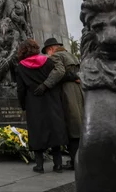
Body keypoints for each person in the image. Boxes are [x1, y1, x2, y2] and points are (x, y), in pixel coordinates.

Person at [16, 39, 68, 173]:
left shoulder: (21, 67)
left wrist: (23, 104)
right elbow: (56, 80)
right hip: (51, 100)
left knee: (37, 131)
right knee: (54, 129)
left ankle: (39, 166)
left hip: (34, 102)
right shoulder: (48, 61)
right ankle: (58, 165)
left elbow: (20, 89)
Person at [38, 37, 84, 171]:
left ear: (51, 49)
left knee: (72, 126)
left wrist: (45, 85)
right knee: (79, 124)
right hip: (78, 92)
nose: (48, 54)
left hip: (67, 92)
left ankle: (75, 161)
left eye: (47, 51)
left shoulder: (56, 56)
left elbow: (59, 72)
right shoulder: (71, 55)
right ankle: (80, 159)